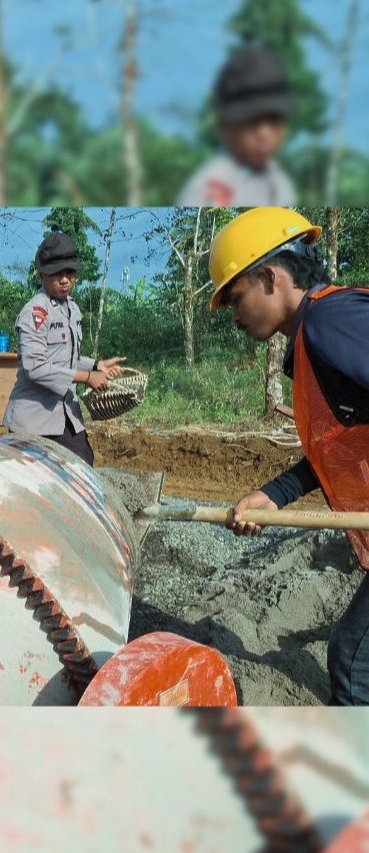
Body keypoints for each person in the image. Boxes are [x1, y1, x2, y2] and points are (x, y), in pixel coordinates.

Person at [209, 205, 369, 705]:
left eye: (236, 297)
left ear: (269, 276)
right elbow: (341, 447)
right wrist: (274, 495)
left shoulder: (330, 320)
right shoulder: (312, 342)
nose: (234, 315)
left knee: (353, 661)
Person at [3, 231, 125, 466]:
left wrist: (97, 365)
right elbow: (35, 366)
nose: (65, 279)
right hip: (34, 419)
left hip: (65, 411)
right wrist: (88, 377)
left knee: (83, 464)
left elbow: (66, 358)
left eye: (69, 272)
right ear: (41, 275)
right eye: (57, 273)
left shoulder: (72, 309)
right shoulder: (35, 313)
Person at [177, 45, 296, 207]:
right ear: (225, 126)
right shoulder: (209, 189)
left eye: (273, 119)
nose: (264, 133)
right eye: (251, 121)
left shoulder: (281, 183)